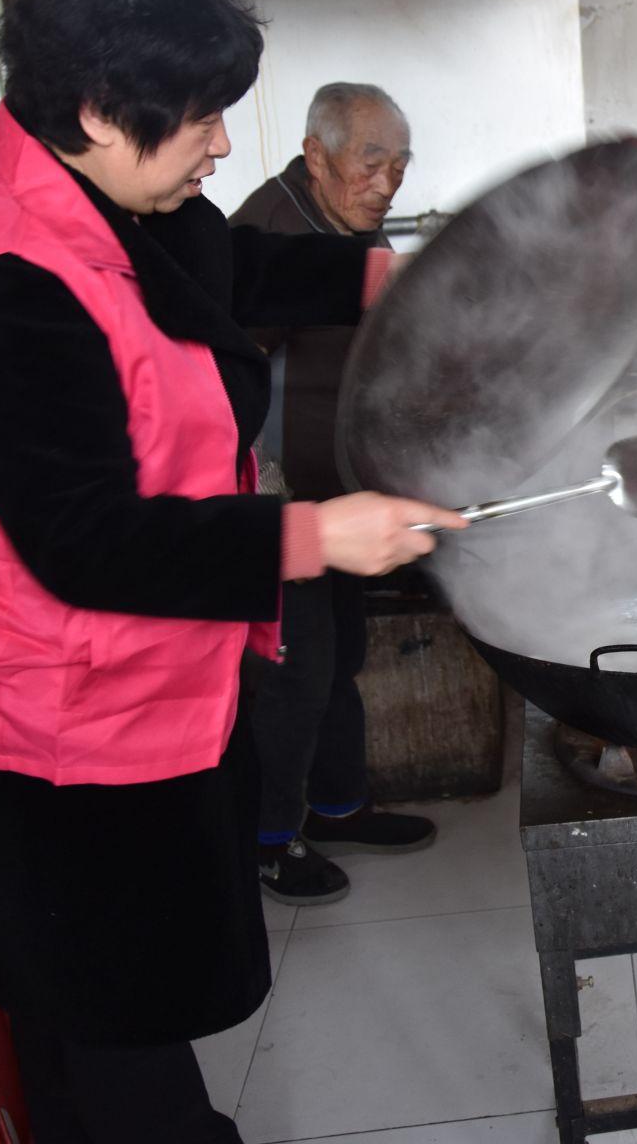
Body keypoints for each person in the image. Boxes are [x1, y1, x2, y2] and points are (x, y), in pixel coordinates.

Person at [0, 0, 466, 1141]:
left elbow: (245, 262)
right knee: (109, 1042)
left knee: (119, 1021)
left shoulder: (110, 195)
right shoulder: (5, 278)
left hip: (135, 693)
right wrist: (318, 531)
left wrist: (419, 280)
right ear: (94, 113)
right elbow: (85, 540)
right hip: (43, 740)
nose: (223, 145)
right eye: (203, 119)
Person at [232, 82, 430, 905]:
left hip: (339, 494)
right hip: (282, 506)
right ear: (316, 155)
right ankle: (270, 841)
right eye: (371, 160)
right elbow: (220, 384)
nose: (388, 180)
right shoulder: (265, 231)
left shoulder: (346, 218)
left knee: (340, 657)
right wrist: (271, 509)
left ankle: (339, 805)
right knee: (296, 673)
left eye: (400, 163)